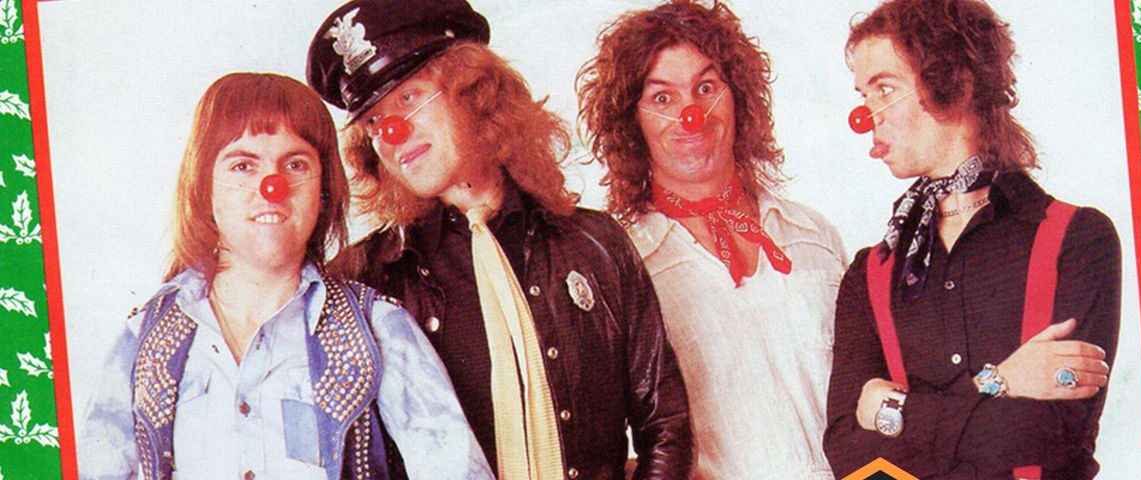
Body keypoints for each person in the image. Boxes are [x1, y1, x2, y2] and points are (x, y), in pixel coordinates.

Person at [305, 1, 692, 479]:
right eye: (373, 122)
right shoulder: (362, 282)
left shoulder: (596, 245)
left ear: (475, 94)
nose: (392, 132)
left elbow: (666, 425)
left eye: (409, 99)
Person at [76, 72, 491, 480]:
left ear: (323, 191)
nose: (271, 186)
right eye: (243, 165)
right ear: (204, 185)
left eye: (295, 164)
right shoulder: (144, 338)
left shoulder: (379, 328)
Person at [822, 1, 1120, 478]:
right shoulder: (869, 274)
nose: (865, 115)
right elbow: (847, 450)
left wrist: (891, 411)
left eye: (884, 89)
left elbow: (1051, 437)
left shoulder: (1078, 239)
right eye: (864, 93)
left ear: (953, 84)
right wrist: (1000, 383)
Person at [576, 1, 848, 478]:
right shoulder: (625, 266)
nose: (691, 115)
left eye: (705, 88)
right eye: (662, 98)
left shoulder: (814, 237)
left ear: (738, 96)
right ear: (631, 120)